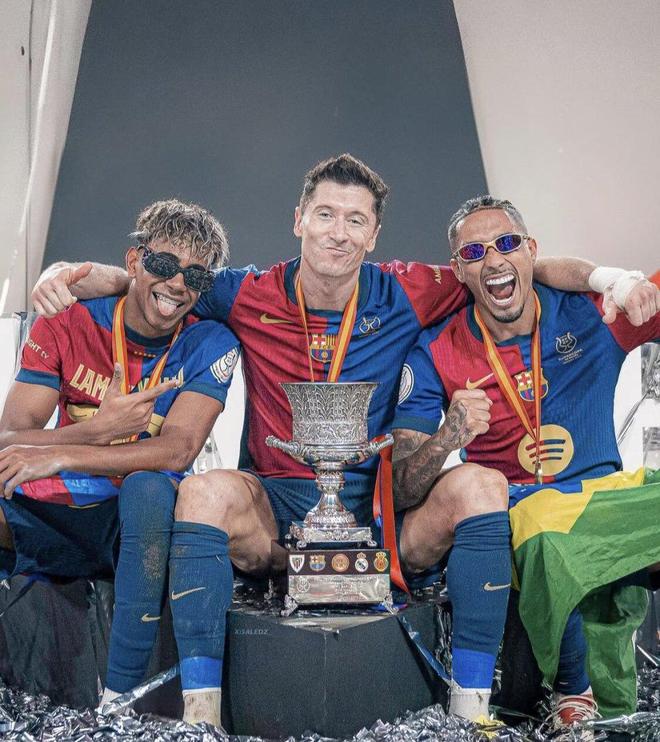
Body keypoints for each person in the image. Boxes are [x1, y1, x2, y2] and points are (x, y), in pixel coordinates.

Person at [30, 154, 657, 728]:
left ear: (374, 235)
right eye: (326, 214)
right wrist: (70, 276)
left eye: (356, 220)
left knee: (481, 484)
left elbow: (508, 265)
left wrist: (611, 279)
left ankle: (470, 717)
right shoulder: (246, 292)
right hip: (274, 507)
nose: (339, 232)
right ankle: (202, 719)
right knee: (201, 493)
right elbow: (156, 280)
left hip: (377, 514)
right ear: (299, 220)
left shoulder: (410, 289)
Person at [391, 195, 659, 733]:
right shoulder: (437, 350)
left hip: (601, 507)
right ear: (459, 270)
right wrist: (447, 437)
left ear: (531, 251)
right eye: (474, 252)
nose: (494, 260)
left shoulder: (591, 312)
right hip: (520, 517)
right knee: (536, 523)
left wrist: (619, 280)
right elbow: (401, 486)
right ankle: (573, 693)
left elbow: (637, 292)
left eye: (508, 244)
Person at [0, 199, 240, 707]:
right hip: (57, 510)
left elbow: (177, 450)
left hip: (134, 525)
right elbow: (10, 437)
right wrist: (96, 431)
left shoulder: (210, 340)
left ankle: (119, 698)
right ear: (134, 261)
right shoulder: (68, 321)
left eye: (195, 276)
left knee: (149, 487)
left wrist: (68, 453)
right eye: (164, 264)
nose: (177, 284)